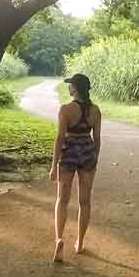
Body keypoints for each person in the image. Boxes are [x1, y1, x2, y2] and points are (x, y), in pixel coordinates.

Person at [49, 73, 101, 263]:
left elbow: (60, 138)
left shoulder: (66, 110)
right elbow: (98, 139)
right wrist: (94, 158)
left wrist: (54, 164)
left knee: (62, 200)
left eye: (70, 84)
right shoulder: (95, 111)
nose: (68, 87)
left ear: (76, 88)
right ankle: (79, 243)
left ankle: (59, 240)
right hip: (87, 152)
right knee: (84, 202)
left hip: (69, 152)